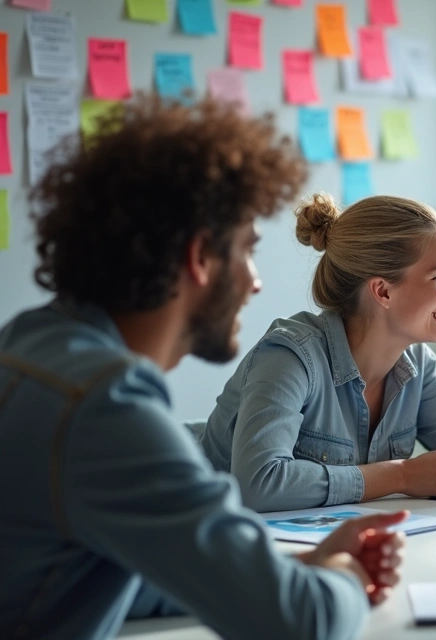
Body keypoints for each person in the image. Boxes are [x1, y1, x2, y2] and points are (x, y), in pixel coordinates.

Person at [0, 95, 405, 639]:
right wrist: (347, 576)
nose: (255, 281)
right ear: (200, 258)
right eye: (247, 250)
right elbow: (300, 624)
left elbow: (119, 575)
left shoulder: (28, 345)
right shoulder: (106, 407)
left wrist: (288, 571)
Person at [197, 194, 436, 512]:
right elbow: (259, 483)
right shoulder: (290, 356)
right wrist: (400, 475)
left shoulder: (417, 365)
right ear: (383, 291)